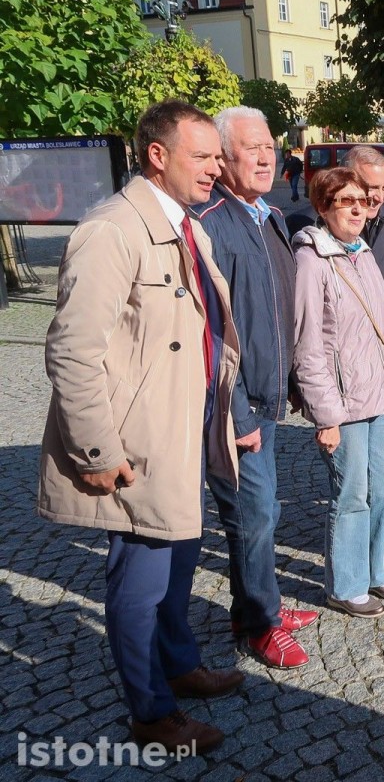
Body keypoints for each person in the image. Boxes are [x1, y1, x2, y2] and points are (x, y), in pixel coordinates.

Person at [37, 100, 243, 753]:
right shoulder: (111, 230)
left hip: (183, 431)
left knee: (178, 561)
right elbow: (72, 350)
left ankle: (179, 666)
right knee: (140, 581)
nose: (219, 166)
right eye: (204, 155)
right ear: (159, 155)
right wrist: (96, 449)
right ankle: (150, 711)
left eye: (218, 154)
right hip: (135, 446)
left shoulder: (186, 226)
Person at [193, 106, 316, 669]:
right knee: (254, 511)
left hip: (265, 393)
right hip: (231, 405)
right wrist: (237, 413)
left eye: (270, 144)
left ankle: (262, 602)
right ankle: (257, 624)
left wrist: (290, 377)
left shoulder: (268, 216)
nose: (267, 156)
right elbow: (210, 332)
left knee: (263, 510)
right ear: (223, 159)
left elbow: (273, 305)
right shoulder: (210, 220)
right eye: (252, 148)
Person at [292, 167, 384, 618]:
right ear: (322, 207)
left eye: (362, 200)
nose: (358, 208)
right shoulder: (312, 260)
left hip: (379, 394)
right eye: (345, 201)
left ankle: (375, 569)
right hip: (343, 401)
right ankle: (346, 583)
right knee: (351, 492)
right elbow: (307, 343)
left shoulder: (362, 253)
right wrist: (326, 417)